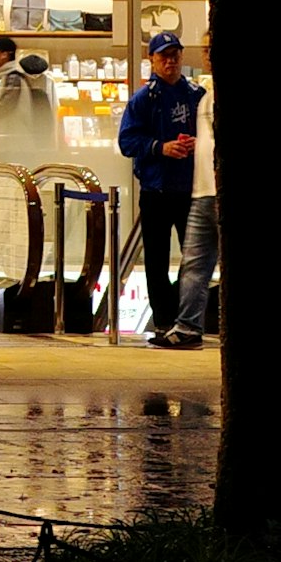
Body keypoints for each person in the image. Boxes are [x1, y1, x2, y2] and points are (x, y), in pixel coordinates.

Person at [115, 30, 203, 336]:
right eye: (164, 56)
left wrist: (197, 145)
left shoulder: (195, 94)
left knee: (194, 257)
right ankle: (164, 319)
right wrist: (159, 147)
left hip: (190, 189)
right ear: (152, 60)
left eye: (175, 55)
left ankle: (184, 314)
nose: (171, 61)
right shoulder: (144, 99)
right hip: (156, 190)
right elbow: (127, 141)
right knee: (156, 260)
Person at [154, 62, 219, 348]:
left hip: (216, 191)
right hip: (201, 191)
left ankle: (189, 326)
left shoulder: (207, 93)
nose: (207, 56)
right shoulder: (207, 93)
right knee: (194, 263)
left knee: (198, 262)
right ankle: (188, 327)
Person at [0, 33, 57, 168]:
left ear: (4, 55)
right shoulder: (15, 77)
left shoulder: (12, 78)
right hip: (20, 145)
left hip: (14, 146)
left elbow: (3, 107)